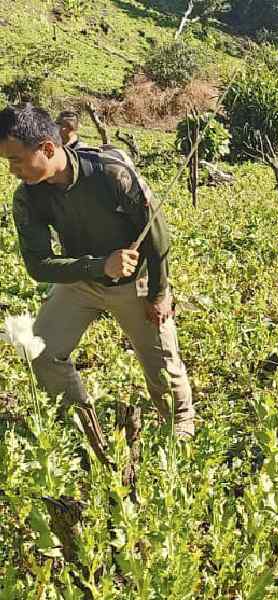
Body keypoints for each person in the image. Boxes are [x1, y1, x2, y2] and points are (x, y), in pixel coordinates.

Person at [0, 104, 196, 466]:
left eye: (15, 160)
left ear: (46, 148)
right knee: (41, 351)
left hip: (134, 282)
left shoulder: (110, 173)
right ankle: (81, 422)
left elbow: (157, 234)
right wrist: (97, 265)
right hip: (81, 279)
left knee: (162, 367)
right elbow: (37, 265)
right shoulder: (27, 196)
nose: (11, 170)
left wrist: (160, 293)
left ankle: (179, 426)